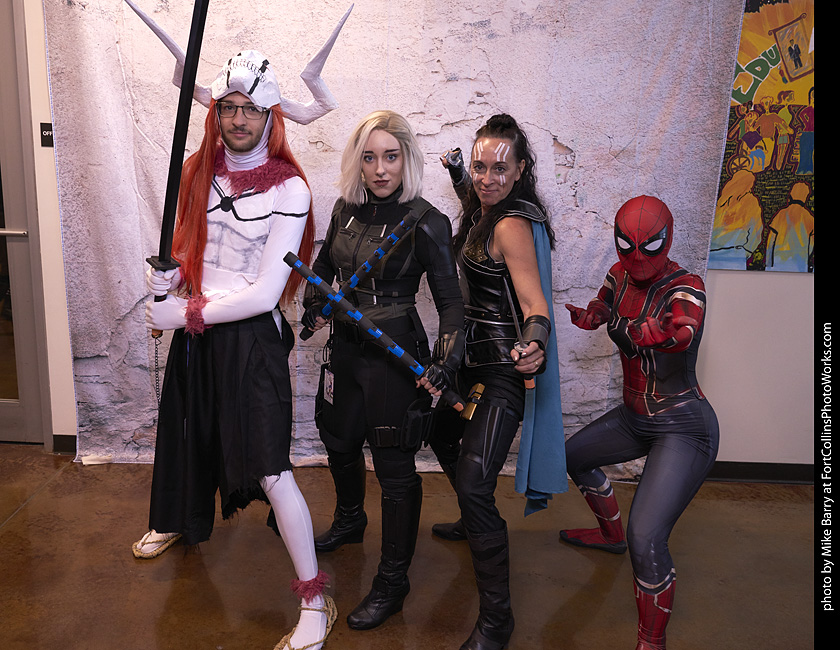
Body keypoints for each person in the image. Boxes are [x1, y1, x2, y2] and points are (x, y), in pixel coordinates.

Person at [134, 51, 335, 650]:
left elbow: (267, 292)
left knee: (270, 467)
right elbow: (192, 248)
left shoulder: (290, 187)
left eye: (251, 110)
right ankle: (176, 520)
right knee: (186, 433)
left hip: (250, 340)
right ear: (216, 113)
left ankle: (314, 602)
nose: (239, 120)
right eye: (229, 109)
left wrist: (183, 313)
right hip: (198, 331)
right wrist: (171, 279)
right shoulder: (199, 171)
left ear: (271, 115)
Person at [302, 110, 464, 630]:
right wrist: (315, 303)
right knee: (339, 441)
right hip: (345, 350)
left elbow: (451, 305)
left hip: (394, 356)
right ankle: (350, 520)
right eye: (369, 157)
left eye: (390, 157)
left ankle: (393, 582)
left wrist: (445, 361)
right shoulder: (344, 210)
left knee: (394, 468)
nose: (379, 169)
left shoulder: (427, 222)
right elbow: (322, 270)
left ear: (406, 159)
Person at [430, 114, 566, 650]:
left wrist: (534, 345)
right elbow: (473, 198)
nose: (487, 179)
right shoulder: (485, 209)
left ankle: (496, 622)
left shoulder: (510, 225)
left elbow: (535, 304)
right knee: (441, 432)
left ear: (521, 170)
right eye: (479, 166)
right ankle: (473, 519)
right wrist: (459, 174)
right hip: (469, 364)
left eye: (499, 169)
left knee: (474, 483)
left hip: (501, 371)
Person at [561, 195, 719, 650]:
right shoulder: (619, 275)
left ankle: (652, 641)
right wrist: (594, 315)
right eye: (626, 245)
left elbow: (685, 326)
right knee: (573, 457)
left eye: (648, 246)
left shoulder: (685, 284)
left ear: (666, 239)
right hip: (634, 418)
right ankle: (609, 535)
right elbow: (605, 302)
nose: (636, 257)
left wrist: (663, 334)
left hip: (684, 426)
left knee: (646, 537)